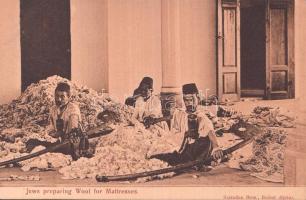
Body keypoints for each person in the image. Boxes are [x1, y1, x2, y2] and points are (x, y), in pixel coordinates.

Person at [149, 83, 223, 167]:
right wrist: (155, 120)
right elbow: (171, 122)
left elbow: (210, 130)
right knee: (156, 156)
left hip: (195, 149)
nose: (189, 103)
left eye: (192, 99)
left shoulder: (201, 116)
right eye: (186, 100)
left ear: (198, 98)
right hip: (181, 147)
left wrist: (216, 147)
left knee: (205, 142)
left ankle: (197, 161)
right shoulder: (179, 113)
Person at [26, 82, 90, 160]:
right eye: (57, 96)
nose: (59, 99)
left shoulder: (73, 109)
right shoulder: (53, 109)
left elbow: (74, 130)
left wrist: (63, 134)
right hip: (59, 142)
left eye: (62, 96)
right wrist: (53, 134)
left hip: (72, 143)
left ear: (68, 97)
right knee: (31, 141)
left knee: (65, 146)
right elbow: (51, 129)